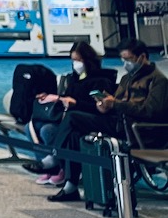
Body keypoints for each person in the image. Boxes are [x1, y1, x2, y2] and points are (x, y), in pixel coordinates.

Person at [46, 38, 167, 203]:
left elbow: (151, 111)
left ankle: (54, 156)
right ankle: (70, 186)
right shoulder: (127, 78)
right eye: (123, 59)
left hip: (137, 130)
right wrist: (103, 106)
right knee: (75, 135)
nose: (126, 63)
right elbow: (114, 103)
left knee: (73, 117)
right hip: (116, 122)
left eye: (129, 59)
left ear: (142, 57)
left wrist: (116, 104)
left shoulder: (158, 81)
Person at [20, 40, 114, 185]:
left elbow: (97, 107)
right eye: (73, 60)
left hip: (85, 118)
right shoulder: (73, 79)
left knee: (48, 130)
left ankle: (56, 163)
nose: (76, 64)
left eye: (79, 60)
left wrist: (75, 103)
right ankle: (47, 166)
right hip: (67, 117)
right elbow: (67, 98)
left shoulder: (100, 80)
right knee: (31, 126)